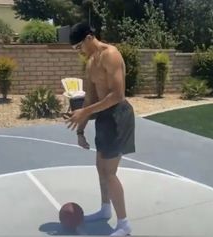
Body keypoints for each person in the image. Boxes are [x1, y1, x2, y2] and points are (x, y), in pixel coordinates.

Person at [66, 21, 135, 236]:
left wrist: (85, 113)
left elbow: (117, 95)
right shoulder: (91, 63)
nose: (79, 52)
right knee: (100, 167)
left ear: (89, 37)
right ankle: (106, 209)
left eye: (79, 47)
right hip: (104, 117)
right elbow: (91, 99)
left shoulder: (110, 54)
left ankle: (124, 224)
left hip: (119, 115)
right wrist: (80, 129)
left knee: (109, 171)